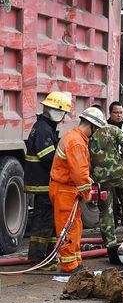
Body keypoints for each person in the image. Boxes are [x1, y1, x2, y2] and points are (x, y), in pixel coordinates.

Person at [50, 107, 106, 273]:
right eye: (95, 130)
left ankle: (75, 262)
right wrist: (87, 193)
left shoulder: (74, 137)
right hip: (65, 190)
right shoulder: (76, 142)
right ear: (91, 126)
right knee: (68, 229)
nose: (94, 134)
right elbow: (79, 173)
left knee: (75, 227)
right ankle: (68, 265)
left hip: (67, 190)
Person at [25, 92, 71, 270]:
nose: (64, 118)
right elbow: (48, 157)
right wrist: (67, 164)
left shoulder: (45, 127)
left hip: (44, 183)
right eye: (64, 114)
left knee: (50, 221)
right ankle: (38, 259)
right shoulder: (43, 129)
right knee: (43, 222)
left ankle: (48, 256)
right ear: (58, 112)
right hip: (43, 183)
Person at [89, 120, 123, 247]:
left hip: (100, 178)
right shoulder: (112, 129)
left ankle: (109, 242)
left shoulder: (88, 133)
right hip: (119, 173)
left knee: (105, 210)